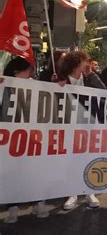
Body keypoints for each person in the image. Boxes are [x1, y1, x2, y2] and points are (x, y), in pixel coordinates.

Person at [2, 58, 50, 223]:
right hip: (10, 138)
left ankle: (37, 202)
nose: (31, 73)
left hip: (32, 136)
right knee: (13, 172)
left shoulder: (34, 85)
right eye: (29, 70)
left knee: (33, 171)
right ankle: (13, 207)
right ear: (16, 71)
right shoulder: (3, 85)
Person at [59, 51, 103, 210]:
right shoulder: (61, 79)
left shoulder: (90, 78)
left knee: (88, 157)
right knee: (71, 159)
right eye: (86, 61)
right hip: (69, 125)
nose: (88, 64)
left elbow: (104, 90)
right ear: (77, 63)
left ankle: (89, 191)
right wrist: (56, 86)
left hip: (88, 124)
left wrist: (91, 75)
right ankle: (72, 193)